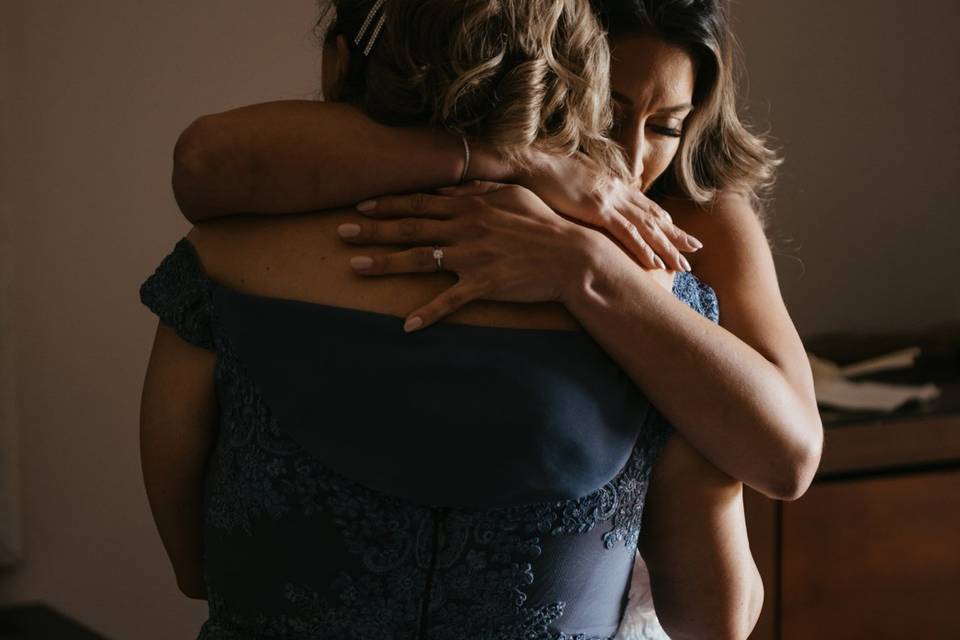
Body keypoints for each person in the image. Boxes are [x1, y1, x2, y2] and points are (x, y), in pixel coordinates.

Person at [139, 1, 818, 638]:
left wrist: (586, 267)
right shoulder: (668, 296)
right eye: (609, 114)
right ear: (559, 83)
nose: (633, 162)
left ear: (342, 64)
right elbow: (719, 613)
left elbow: (195, 568)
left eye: (668, 125)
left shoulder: (223, 259)